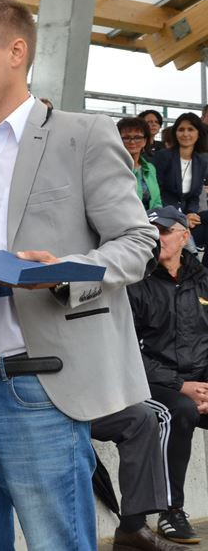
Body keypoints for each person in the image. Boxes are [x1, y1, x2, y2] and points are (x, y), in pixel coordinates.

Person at [0, 0, 157, 550]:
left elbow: (138, 242)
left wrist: (65, 271)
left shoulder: (82, 136)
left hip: (38, 388)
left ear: (17, 52)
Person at [129, 207, 208, 544]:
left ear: (184, 236)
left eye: (163, 231)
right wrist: (180, 385)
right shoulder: (135, 282)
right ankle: (171, 511)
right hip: (155, 384)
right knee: (181, 410)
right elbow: (126, 351)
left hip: (200, 380)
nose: (156, 238)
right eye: (151, 232)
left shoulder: (203, 277)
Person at [90, 402, 182, 551]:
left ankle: (132, 528)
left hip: (82, 398)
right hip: (47, 402)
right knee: (179, 408)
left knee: (141, 417)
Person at [151, 113, 208, 243]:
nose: (185, 134)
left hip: (187, 215)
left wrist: (191, 214)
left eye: (191, 129)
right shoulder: (162, 157)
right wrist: (180, 217)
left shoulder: (201, 161)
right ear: (175, 133)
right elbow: (156, 193)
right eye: (181, 129)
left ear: (198, 133)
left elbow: (195, 195)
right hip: (163, 215)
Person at [118, 117, 162, 210]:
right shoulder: (114, 168)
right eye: (126, 138)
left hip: (151, 219)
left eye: (137, 137)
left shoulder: (150, 168)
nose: (132, 141)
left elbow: (157, 201)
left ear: (145, 141)